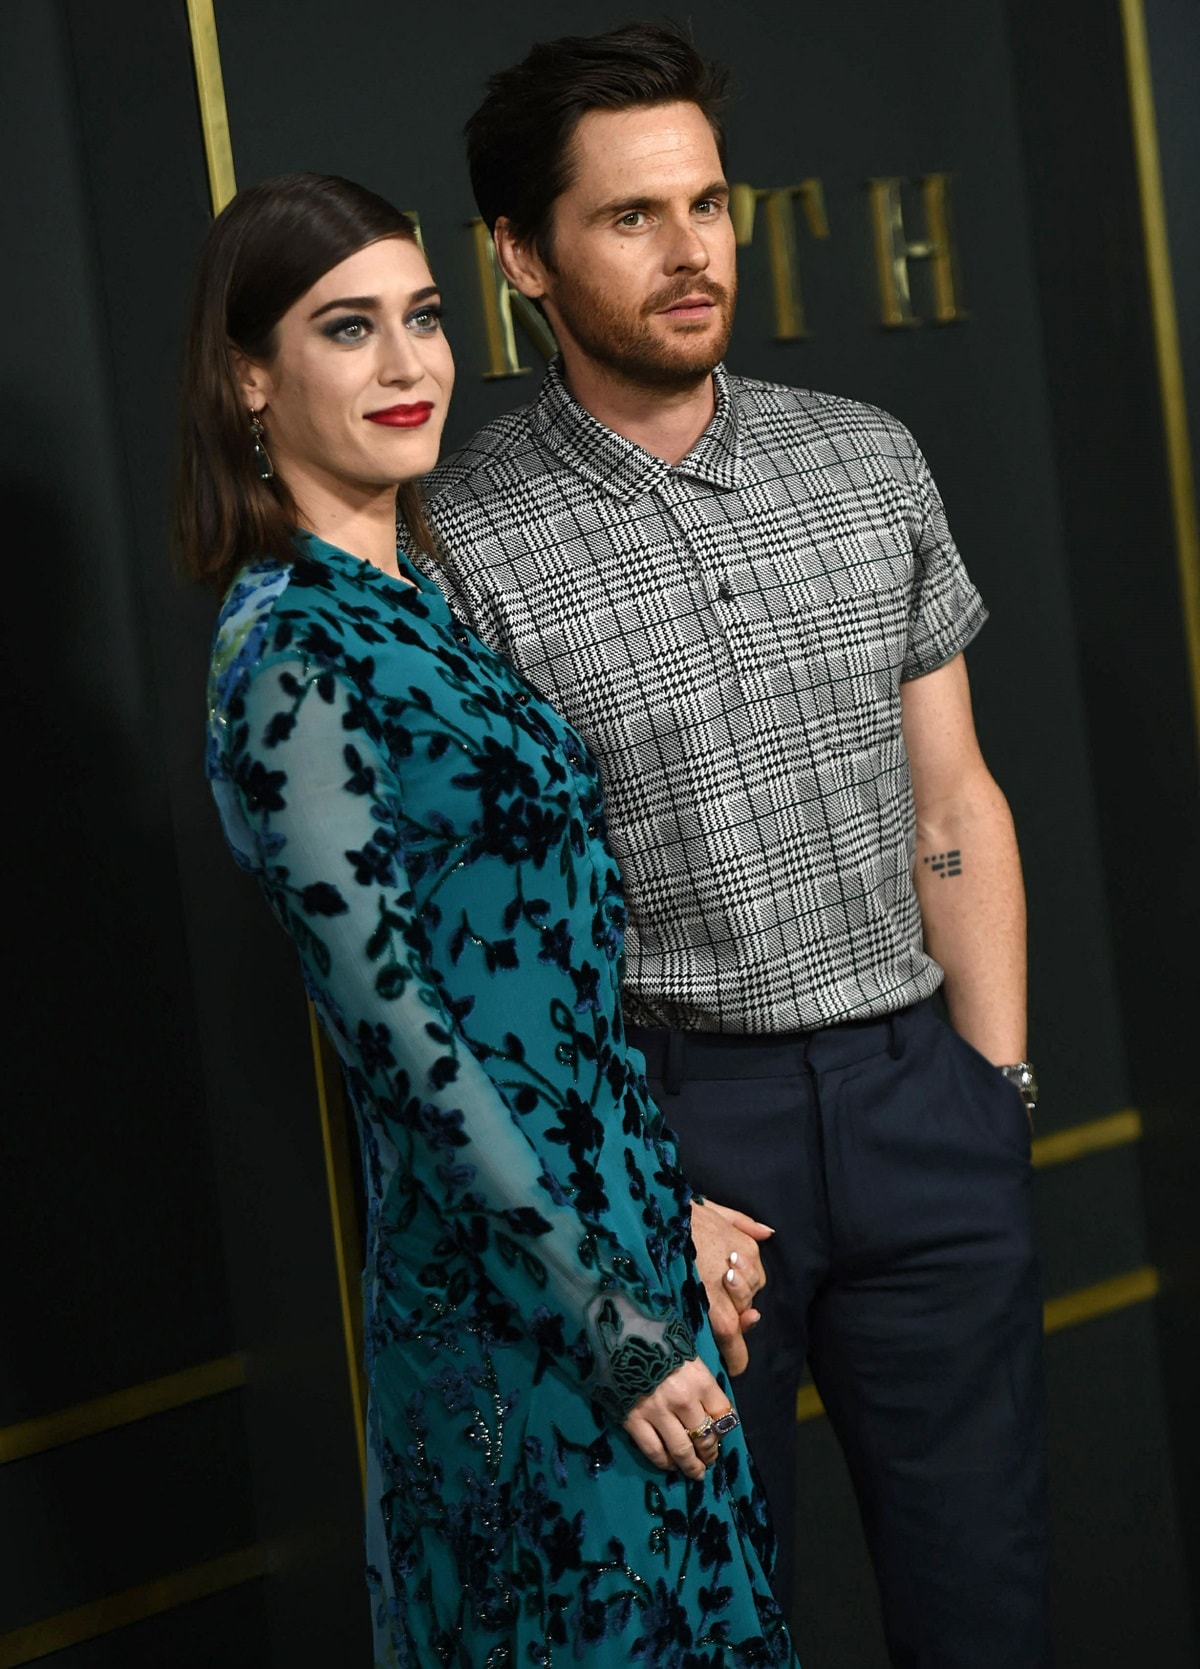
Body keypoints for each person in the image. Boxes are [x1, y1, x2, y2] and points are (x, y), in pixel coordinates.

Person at [420, 23, 1051, 1667]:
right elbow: (484, 941)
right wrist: (635, 1188)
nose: (692, 250)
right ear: (522, 255)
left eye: (707, 203)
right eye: (632, 217)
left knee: (987, 1607)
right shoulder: (466, 550)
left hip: (926, 1103)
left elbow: (955, 798)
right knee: (712, 1629)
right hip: (686, 1152)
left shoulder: (866, 457)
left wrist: (991, 1093)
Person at [175, 170, 798, 1669]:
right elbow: (407, 1046)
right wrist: (613, 1319)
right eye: (348, 329)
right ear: (251, 377)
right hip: (521, 1330)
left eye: (426, 319)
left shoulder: (427, 599)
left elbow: (551, 987)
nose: (408, 366)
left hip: (615, 1267)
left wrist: (666, 1202)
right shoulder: (288, 651)